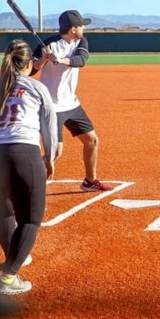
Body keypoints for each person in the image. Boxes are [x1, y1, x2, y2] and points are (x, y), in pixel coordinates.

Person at [0, 40, 59, 295]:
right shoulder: (36, 87)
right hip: (21, 154)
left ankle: (13, 256)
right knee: (30, 219)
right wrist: (50, 157)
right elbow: (50, 126)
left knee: (4, 211)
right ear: (29, 63)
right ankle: (9, 278)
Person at [31, 10, 114, 192]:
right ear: (74, 29)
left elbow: (81, 60)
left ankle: (89, 181)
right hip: (51, 107)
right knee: (55, 153)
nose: (84, 28)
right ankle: (26, 180)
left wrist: (61, 59)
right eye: (82, 25)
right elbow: (30, 70)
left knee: (92, 141)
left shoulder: (80, 42)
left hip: (72, 103)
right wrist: (43, 60)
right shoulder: (48, 44)